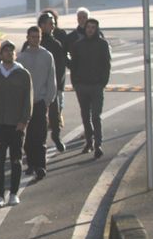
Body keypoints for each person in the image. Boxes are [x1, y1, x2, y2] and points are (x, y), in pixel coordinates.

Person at [0, 41, 32, 207]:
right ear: (0, 55)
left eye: (11, 51)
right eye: (5, 51)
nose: (9, 53)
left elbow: (28, 100)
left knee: (16, 160)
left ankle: (14, 193)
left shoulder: (23, 74)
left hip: (16, 124)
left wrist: (24, 120)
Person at [17, 26, 57, 181]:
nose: (35, 39)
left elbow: (51, 80)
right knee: (27, 137)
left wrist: (48, 100)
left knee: (40, 135)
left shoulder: (47, 56)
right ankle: (31, 164)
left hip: (40, 101)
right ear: (28, 38)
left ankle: (41, 166)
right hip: (25, 103)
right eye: (32, 36)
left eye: (38, 36)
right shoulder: (21, 58)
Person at [68, 17, 111, 159]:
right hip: (82, 85)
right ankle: (89, 142)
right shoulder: (78, 45)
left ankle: (98, 144)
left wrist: (103, 82)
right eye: (88, 27)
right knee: (85, 115)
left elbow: (107, 65)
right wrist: (75, 82)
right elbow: (74, 65)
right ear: (85, 29)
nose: (90, 30)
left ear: (96, 29)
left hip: (97, 85)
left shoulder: (102, 44)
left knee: (96, 116)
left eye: (93, 27)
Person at [38, 11, 68, 152]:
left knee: (54, 116)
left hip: (52, 86)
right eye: (50, 24)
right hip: (37, 87)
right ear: (42, 25)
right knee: (37, 118)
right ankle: (39, 142)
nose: (53, 26)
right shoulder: (32, 44)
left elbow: (61, 67)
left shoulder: (56, 44)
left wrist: (58, 86)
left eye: (53, 24)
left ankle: (56, 137)